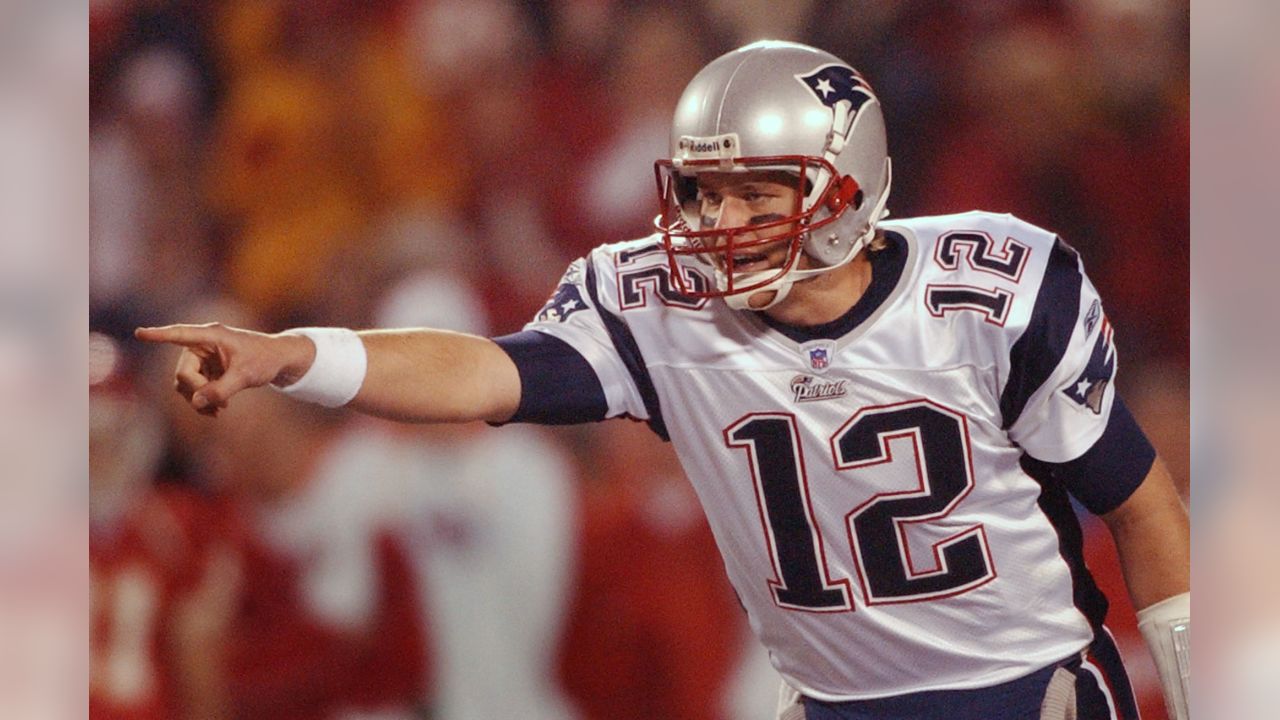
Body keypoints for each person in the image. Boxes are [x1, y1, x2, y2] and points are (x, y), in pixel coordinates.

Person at [138, 41, 1190, 720]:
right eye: (699, 190)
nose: (714, 224)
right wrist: (296, 356)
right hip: (829, 702)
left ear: (844, 185)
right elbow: (482, 371)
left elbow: (1139, 507)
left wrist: (1193, 691)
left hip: (1020, 692)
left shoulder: (991, 285)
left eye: (749, 192)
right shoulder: (657, 299)